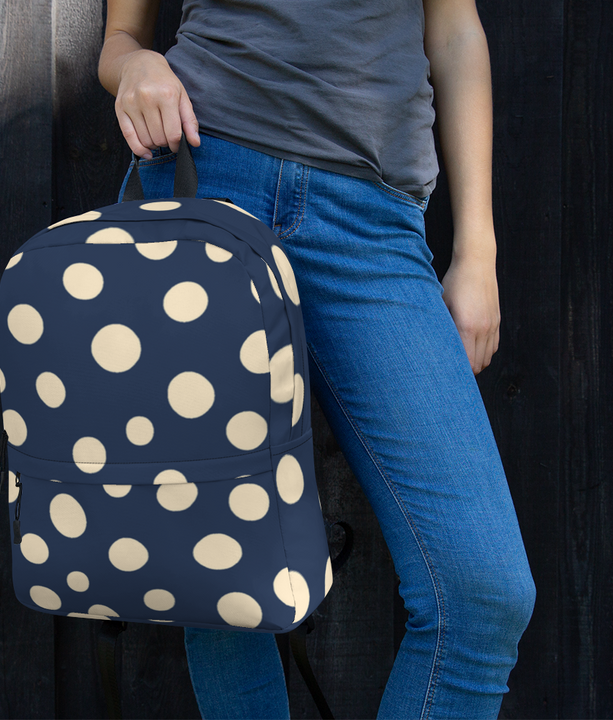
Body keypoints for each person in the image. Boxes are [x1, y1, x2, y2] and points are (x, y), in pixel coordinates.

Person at [98, 0, 536, 717]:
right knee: (220, 574)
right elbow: (120, 39)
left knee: (482, 594)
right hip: (207, 179)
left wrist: (478, 253)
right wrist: (136, 67)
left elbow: (457, 29)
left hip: (374, 228)